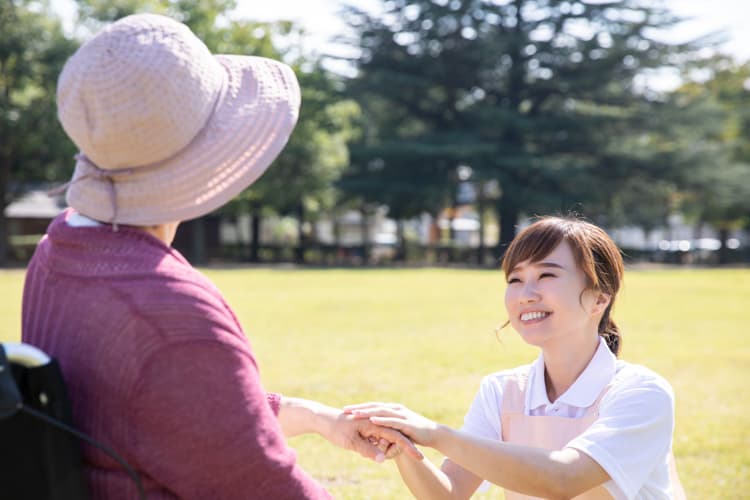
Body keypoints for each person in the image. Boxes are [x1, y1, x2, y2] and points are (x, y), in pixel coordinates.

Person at [21, 13, 418, 499]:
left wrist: (315, 418)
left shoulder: (57, 254)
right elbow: (265, 489)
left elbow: (168, 411)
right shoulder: (166, 313)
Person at [347, 216, 686, 499]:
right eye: (515, 279)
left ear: (599, 298)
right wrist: (403, 443)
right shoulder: (501, 390)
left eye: (547, 275)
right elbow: (448, 494)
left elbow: (564, 478)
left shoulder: (642, 392)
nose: (526, 295)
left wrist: (435, 433)